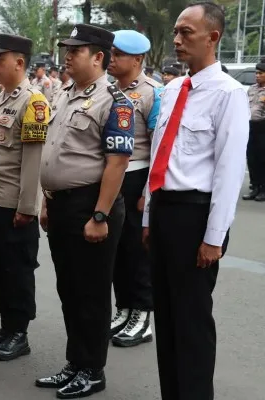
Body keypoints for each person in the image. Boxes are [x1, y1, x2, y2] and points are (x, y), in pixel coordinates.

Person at [142, 3, 249, 399]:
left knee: (191, 322)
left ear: (213, 37)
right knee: (167, 318)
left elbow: (229, 170)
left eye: (187, 32)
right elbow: (159, 157)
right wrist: (148, 217)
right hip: (166, 211)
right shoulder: (171, 90)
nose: (177, 39)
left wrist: (214, 237)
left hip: (196, 216)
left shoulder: (229, 94)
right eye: (175, 31)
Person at [35, 24, 134, 399]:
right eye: (67, 49)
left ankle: (92, 370)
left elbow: (117, 163)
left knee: (91, 294)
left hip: (91, 206)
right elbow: (56, 153)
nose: (68, 55)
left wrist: (100, 216)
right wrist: (47, 199)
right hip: (61, 205)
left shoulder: (115, 102)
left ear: (98, 57)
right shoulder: (63, 94)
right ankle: (74, 363)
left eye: (76, 50)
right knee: (69, 290)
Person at [0, 33, 48, 362]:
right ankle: (5, 325)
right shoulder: (2, 98)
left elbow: (33, 161)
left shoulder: (33, 102)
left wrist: (28, 208)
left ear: (19, 63)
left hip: (12, 204)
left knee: (15, 269)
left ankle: (19, 331)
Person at [107, 30, 163, 348]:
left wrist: (148, 193)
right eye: (111, 54)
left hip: (137, 178)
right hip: (111, 178)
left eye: (118, 55)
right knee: (115, 249)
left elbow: (157, 147)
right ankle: (124, 308)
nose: (111, 60)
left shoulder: (154, 94)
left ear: (138, 59)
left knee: (136, 251)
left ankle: (142, 316)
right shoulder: (108, 89)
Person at [242, 61, 265, 201]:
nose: (257, 76)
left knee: (263, 159)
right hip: (251, 127)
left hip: (263, 127)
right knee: (252, 158)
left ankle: (263, 188)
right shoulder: (252, 89)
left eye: (260, 73)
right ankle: (255, 186)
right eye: (256, 73)